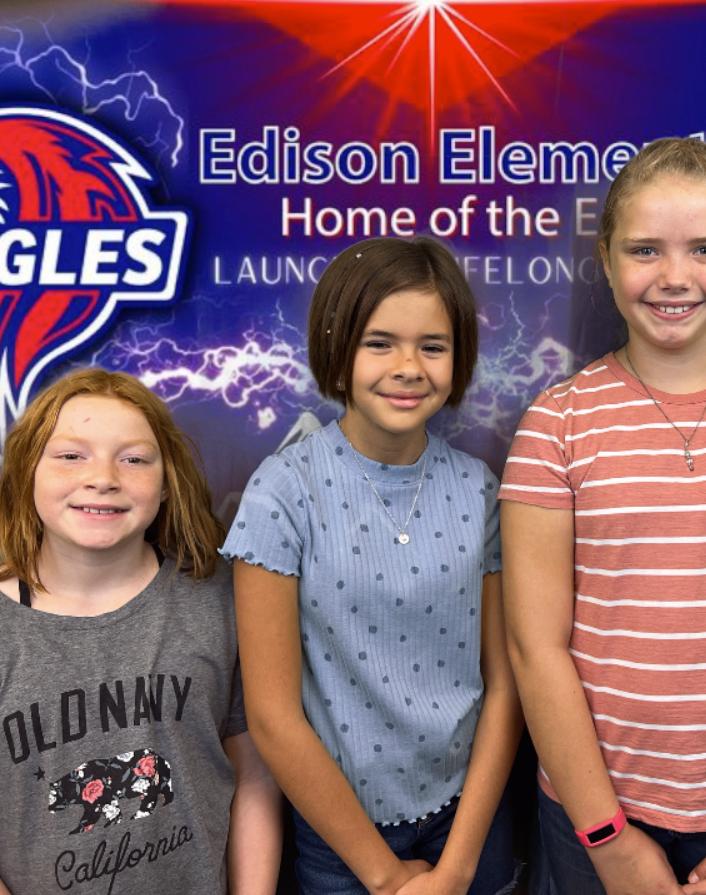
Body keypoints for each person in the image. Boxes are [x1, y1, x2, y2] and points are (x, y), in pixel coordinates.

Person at [500, 137, 706, 895]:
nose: (675, 277)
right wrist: (609, 839)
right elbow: (535, 649)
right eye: (646, 249)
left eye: (705, 249)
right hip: (596, 818)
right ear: (606, 254)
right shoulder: (556, 425)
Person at [224, 236, 522, 895]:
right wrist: (386, 876)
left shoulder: (481, 490)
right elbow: (273, 716)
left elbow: (504, 685)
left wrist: (460, 868)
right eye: (379, 342)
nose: (409, 366)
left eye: (433, 346)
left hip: (471, 821)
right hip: (344, 840)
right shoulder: (283, 492)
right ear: (337, 350)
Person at [0, 368, 282, 894]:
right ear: (26, 472)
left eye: (133, 458)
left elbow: (255, 783)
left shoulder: (221, 603)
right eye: (70, 455)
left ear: (167, 480)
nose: (102, 476)